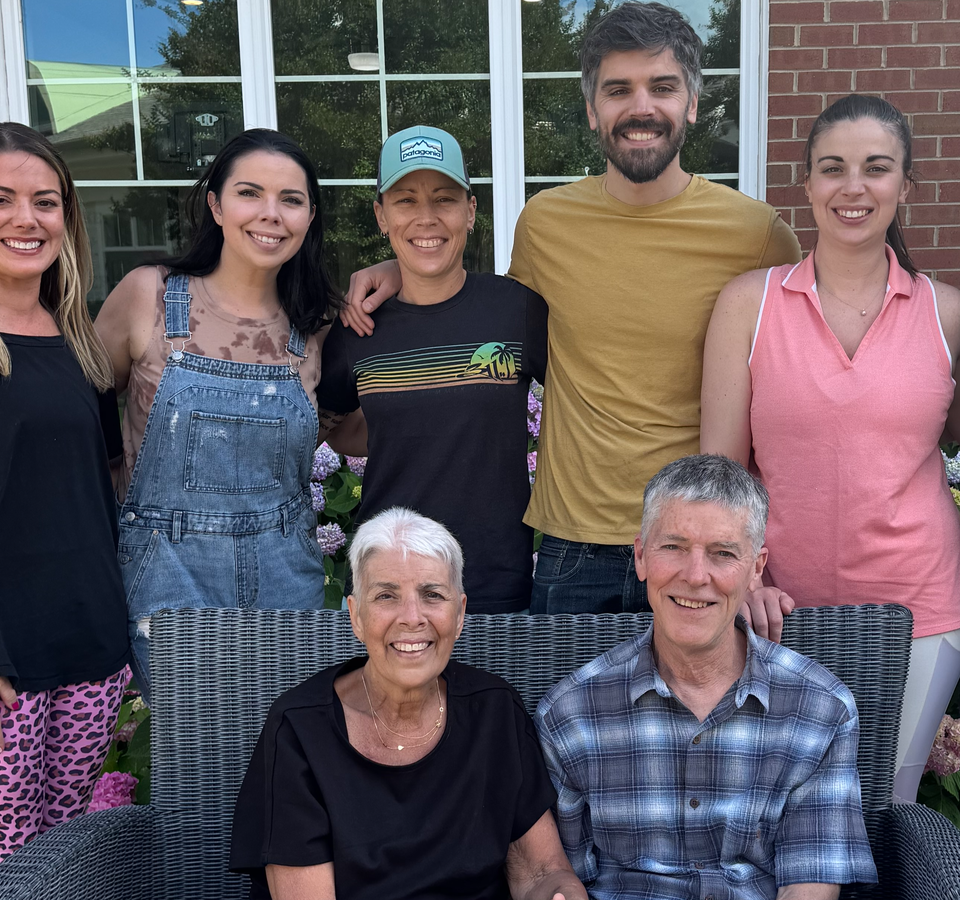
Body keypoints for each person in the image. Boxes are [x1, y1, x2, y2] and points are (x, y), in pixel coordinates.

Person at [342, 2, 801, 626]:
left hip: (695, 547)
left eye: (662, 87)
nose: (641, 107)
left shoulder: (756, 234)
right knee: (559, 697)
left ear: (693, 102)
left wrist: (753, 553)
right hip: (574, 551)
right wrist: (407, 268)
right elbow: (485, 316)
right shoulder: (546, 224)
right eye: (618, 90)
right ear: (592, 109)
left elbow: (791, 397)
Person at [700, 94, 960, 804]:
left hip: (918, 611)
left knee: (886, 805)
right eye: (833, 168)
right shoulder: (749, 304)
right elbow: (720, 475)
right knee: (774, 805)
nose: (853, 187)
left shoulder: (948, 313)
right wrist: (741, 581)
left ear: (905, 186)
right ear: (806, 184)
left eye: (876, 168)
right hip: (777, 610)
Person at [534, 455, 877, 899]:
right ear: (641, 557)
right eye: (673, 547)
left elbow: (808, 886)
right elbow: (563, 878)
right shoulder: (571, 713)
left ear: (756, 569)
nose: (696, 576)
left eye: (723, 553)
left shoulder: (819, 708)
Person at [230, 508, 588, 900]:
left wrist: (560, 894)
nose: (412, 618)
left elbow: (541, 873)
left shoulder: (494, 711)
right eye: (386, 596)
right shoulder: (300, 730)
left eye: (432, 595)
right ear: (356, 616)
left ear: (460, 613)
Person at [94, 129, 341, 697]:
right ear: (216, 204)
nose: (270, 214)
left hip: (288, 577)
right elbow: (78, 413)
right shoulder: (150, 297)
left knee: (291, 741)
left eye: (291, 200)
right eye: (249, 193)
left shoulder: (316, 326)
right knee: (196, 741)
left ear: (309, 218)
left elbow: (344, 425)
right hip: (167, 577)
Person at [0, 123, 130, 880]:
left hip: (87, 646)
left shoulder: (78, 342)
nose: (26, 219)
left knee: (59, 861)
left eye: (45, 201)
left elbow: (97, 485)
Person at [316, 126, 546, 613]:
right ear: (381, 216)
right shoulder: (359, 326)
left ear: (471, 210)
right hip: (388, 583)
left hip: (493, 577)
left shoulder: (516, 309)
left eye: (444, 199)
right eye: (405, 201)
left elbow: (577, 401)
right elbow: (330, 429)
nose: (426, 217)